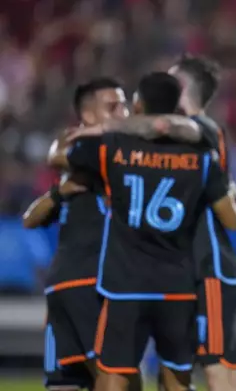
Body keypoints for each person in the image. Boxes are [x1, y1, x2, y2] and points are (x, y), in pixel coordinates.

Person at [57, 72, 236, 391]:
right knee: (176, 377)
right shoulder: (202, 158)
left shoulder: (112, 148)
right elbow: (231, 219)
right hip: (178, 284)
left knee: (113, 374)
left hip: (124, 282)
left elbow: (64, 157)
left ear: (139, 104)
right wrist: (233, 198)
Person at [23, 78, 129, 391]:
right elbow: (31, 219)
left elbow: (55, 157)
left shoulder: (85, 162)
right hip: (90, 281)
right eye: (114, 106)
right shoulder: (105, 155)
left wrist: (60, 188)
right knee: (116, 377)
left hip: (62, 285)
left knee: (67, 382)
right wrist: (60, 192)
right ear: (89, 116)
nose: (124, 112)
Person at [169, 55, 236, 391]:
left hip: (208, 265)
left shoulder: (200, 131)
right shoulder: (199, 133)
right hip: (187, 265)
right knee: (189, 369)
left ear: (183, 88)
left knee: (218, 369)